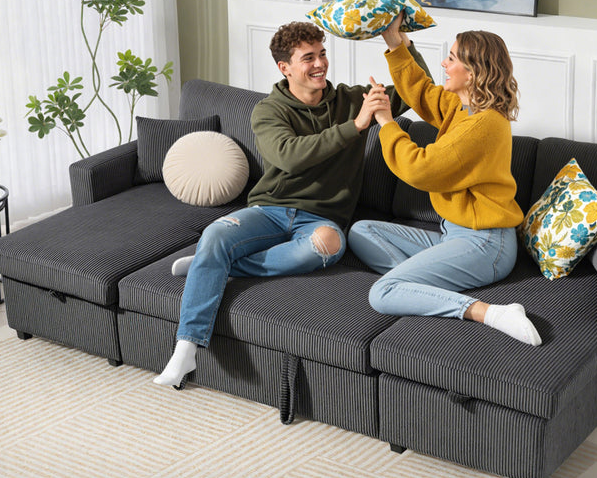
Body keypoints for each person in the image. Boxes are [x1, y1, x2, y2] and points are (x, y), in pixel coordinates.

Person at [154, 20, 432, 387]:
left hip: (323, 218)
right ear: (285, 68)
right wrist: (357, 126)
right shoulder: (268, 110)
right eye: (308, 58)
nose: (319, 64)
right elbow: (289, 157)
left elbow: (418, 91)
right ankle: (186, 347)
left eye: (322, 54)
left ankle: (216, 265)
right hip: (269, 209)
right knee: (216, 233)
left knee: (329, 245)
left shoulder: (351, 100)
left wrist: (395, 39)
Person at [347, 11, 541, 346]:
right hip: (453, 236)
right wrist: (393, 40)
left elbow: (420, 168)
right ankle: (421, 288)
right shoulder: (463, 106)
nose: (443, 64)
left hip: (485, 244)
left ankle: (491, 312)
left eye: (450, 59)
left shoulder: (484, 125)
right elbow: (421, 92)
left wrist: (386, 121)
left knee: (383, 292)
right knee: (361, 230)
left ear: (473, 71)